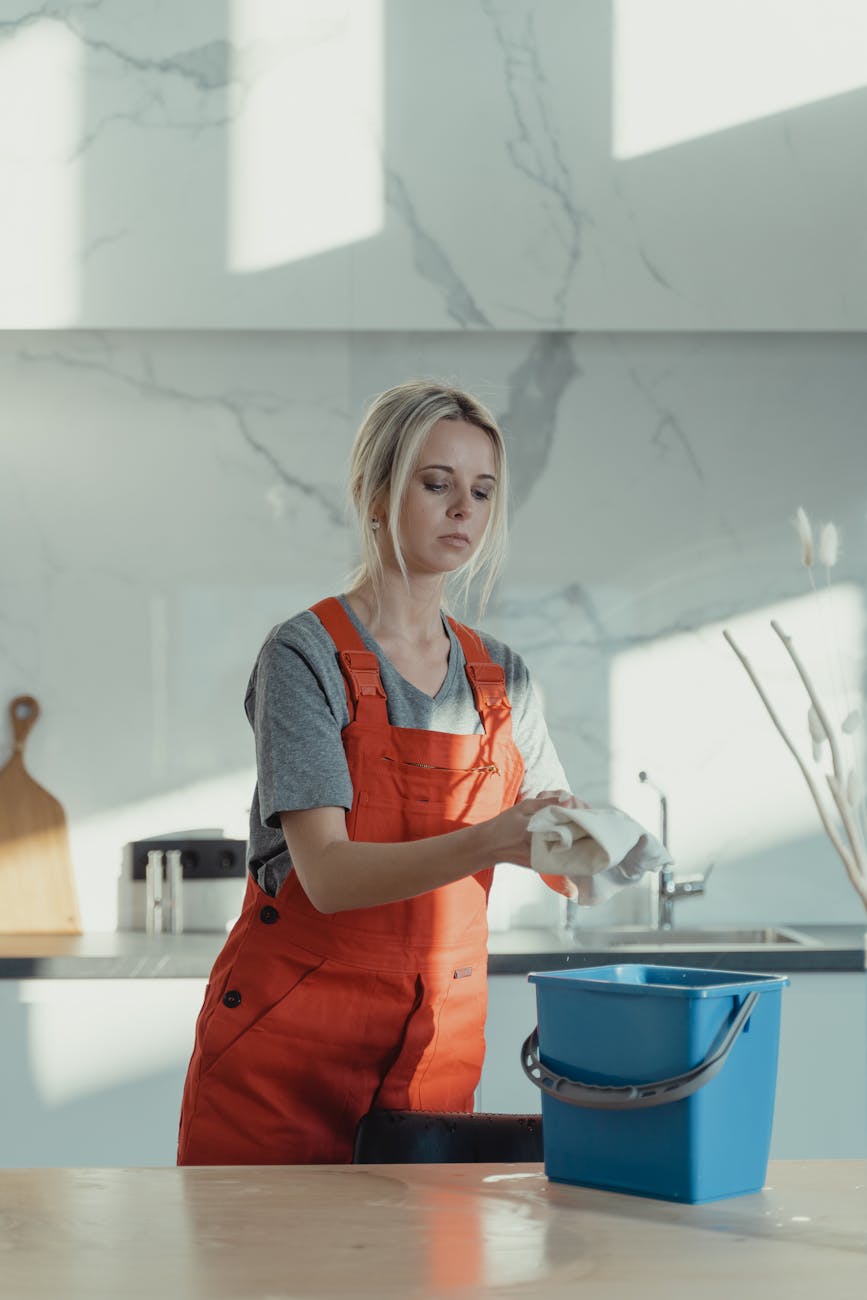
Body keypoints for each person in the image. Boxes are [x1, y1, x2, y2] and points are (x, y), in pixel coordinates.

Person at [177, 380, 579, 1166]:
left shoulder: (503, 676)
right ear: (373, 492)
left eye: (482, 491)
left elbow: (559, 854)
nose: (463, 508)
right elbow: (325, 874)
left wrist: (595, 846)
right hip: (285, 1050)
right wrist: (495, 839)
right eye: (436, 484)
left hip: (435, 1043)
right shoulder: (304, 656)